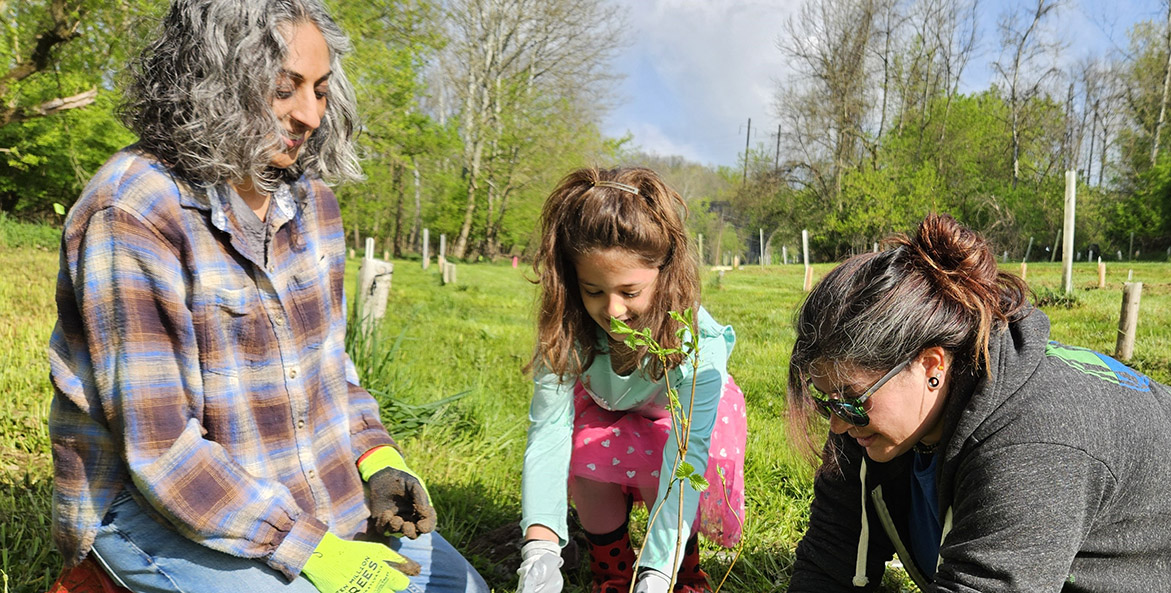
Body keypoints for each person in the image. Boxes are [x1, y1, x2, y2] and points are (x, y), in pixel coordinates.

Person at [46, 2, 488, 592]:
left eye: (322, 90)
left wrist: (379, 460)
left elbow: (331, 371)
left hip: (306, 491)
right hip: (160, 506)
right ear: (213, 80)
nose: (309, 113)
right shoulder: (133, 210)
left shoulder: (312, 203)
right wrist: (316, 553)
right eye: (286, 88)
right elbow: (161, 450)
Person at [785, 213, 1171, 591]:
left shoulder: (1035, 445)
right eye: (827, 401)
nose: (837, 423)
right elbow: (828, 555)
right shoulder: (868, 416)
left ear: (930, 365)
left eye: (851, 399)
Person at [514, 168, 747, 593]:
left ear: (666, 273)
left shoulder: (697, 344)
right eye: (593, 290)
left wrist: (657, 575)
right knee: (587, 459)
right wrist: (540, 551)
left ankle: (677, 570)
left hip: (675, 423)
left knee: (660, 464)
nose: (613, 311)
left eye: (630, 292)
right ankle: (613, 573)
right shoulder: (568, 331)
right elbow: (548, 434)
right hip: (610, 405)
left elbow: (685, 456)